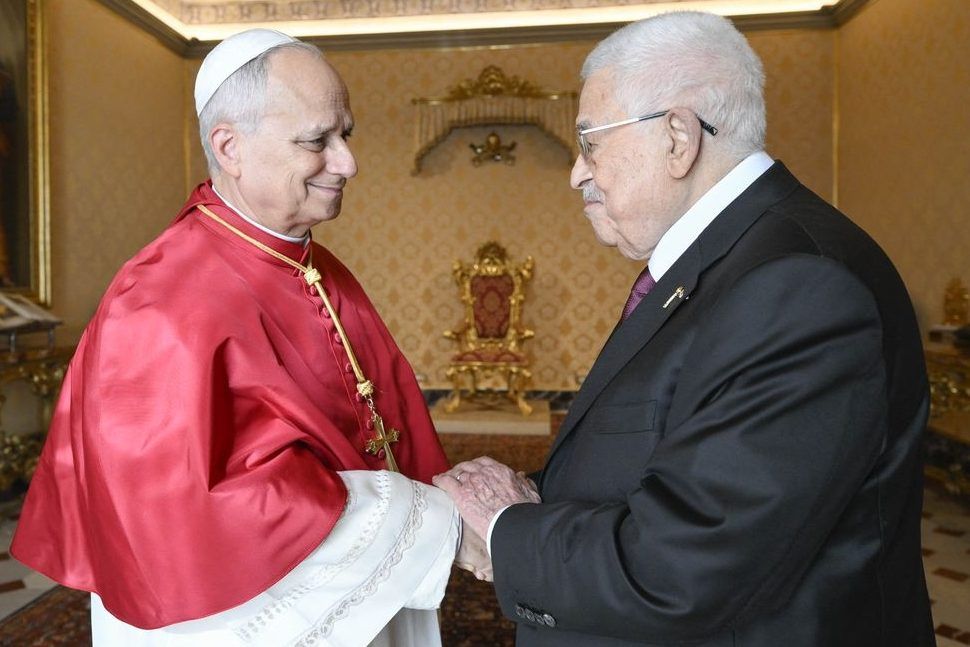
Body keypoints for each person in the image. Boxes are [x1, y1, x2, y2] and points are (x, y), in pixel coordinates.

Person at [435, 11, 934, 647]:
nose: (577, 173)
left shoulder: (798, 284)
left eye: (591, 142)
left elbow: (684, 569)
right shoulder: (738, 260)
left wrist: (504, 525)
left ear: (677, 136)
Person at [12, 29, 488, 646]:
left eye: (346, 135)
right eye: (317, 140)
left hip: (350, 593)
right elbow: (192, 517)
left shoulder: (317, 265)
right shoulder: (158, 299)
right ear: (230, 148)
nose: (347, 162)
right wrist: (438, 523)